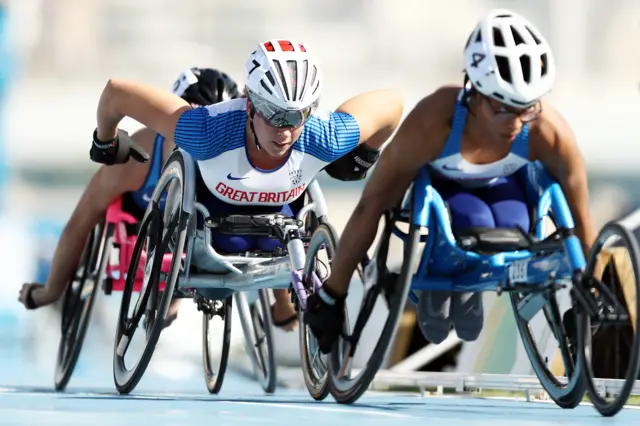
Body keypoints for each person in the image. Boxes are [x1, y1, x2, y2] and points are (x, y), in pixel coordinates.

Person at [303, 9, 599, 353]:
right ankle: (440, 276)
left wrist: (589, 288)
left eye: (526, 107)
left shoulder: (549, 131)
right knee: (470, 231)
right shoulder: (433, 121)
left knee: (516, 227)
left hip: (507, 194)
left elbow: (582, 220)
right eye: (503, 107)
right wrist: (333, 294)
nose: (516, 121)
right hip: (449, 197)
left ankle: (467, 279)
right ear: (474, 91)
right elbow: (373, 204)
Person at [85, 38, 403, 332]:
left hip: (280, 232)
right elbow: (116, 92)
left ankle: (286, 301)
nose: (285, 131)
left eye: (296, 117)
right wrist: (106, 140)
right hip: (206, 231)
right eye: (274, 115)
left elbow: (393, 104)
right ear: (250, 104)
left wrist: (363, 158)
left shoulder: (324, 136)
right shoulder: (206, 130)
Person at [18, 67, 241, 328]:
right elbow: (81, 219)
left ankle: (171, 297)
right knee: (97, 213)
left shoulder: (240, 156)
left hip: (197, 224)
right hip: (140, 210)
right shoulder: (140, 155)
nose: (203, 145)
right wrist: (51, 290)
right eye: (195, 130)